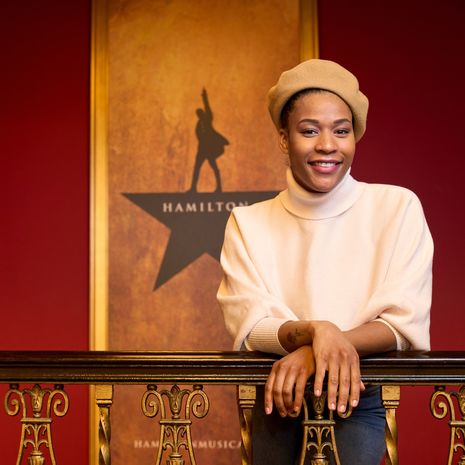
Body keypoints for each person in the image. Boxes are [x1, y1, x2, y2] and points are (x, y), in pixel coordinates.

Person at [217, 59, 433, 464]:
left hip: (361, 395)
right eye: (309, 130)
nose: (327, 145)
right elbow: (249, 328)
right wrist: (319, 330)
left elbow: (403, 321)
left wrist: (319, 348)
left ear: (355, 137)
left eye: (341, 130)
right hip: (276, 398)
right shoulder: (247, 222)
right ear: (284, 139)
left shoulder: (397, 206)